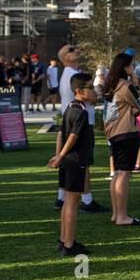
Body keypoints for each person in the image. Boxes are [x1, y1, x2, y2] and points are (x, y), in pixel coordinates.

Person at [48, 72, 97, 257]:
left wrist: (59, 155)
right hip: (76, 161)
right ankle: (69, 244)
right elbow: (73, 136)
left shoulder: (70, 107)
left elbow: (61, 133)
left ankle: (64, 239)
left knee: (68, 201)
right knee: (72, 202)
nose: (93, 91)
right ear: (79, 91)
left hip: (68, 162)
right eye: (90, 88)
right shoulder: (81, 112)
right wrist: (60, 156)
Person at [54, 45, 103, 213]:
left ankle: (62, 197)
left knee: (69, 163)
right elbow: (92, 98)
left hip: (70, 119)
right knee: (83, 164)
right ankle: (87, 200)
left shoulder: (68, 74)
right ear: (65, 58)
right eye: (71, 50)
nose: (76, 51)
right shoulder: (74, 76)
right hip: (81, 121)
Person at [103, 53, 140, 227]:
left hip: (113, 133)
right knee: (124, 174)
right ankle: (122, 216)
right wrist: (135, 84)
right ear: (125, 67)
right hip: (127, 132)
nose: (132, 69)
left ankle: (116, 214)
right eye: (130, 66)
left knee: (118, 173)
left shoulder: (110, 86)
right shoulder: (126, 86)